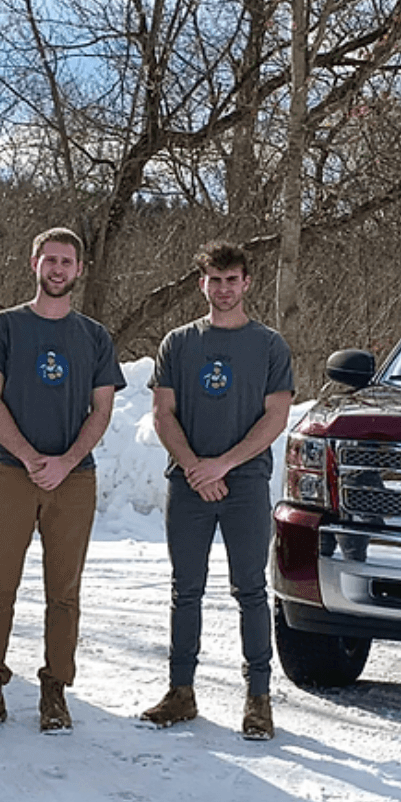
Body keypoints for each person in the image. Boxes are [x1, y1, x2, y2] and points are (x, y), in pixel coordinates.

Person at [0, 227, 126, 734]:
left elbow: (102, 410)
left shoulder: (94, 336)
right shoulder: (4, 327)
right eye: (49, 259)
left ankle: (55, 690)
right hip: (10, 471)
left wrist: (66, 460)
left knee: (65, 591)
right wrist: (31, 456)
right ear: (34, 263)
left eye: (66, 261)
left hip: (73, 479)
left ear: (79, 270)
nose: (58, 269)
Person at [140, 240, 294, 740]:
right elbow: (163, 413)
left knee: (250, 590)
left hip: (245, 483)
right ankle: (181, 691)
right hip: (188, 484)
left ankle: (258, 699)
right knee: (186, 589)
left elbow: (275, 417)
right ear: (201, 283)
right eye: (215, 280)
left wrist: (222, 465)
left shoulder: (269, 345)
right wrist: (194, 468)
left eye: (232, 280)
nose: (224, 289)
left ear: (246, 282)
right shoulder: (178, 343)